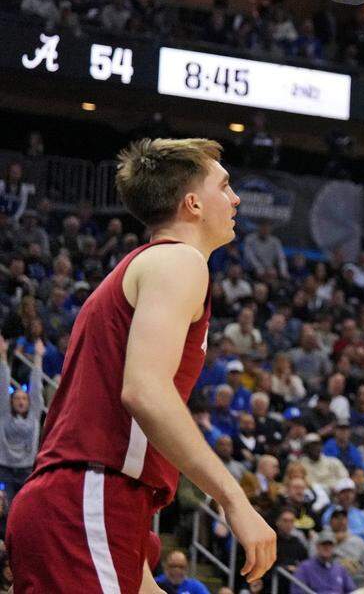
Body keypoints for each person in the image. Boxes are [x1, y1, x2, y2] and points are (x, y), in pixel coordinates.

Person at [6, 138, 276, 592]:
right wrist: (234, 500)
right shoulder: (178, 261)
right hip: (88, 495)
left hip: (95, 504)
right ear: (192, 203)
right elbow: (144, 389)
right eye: (225, 186)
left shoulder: (149, 267)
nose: (236, 198)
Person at [0, 336, 44, 502]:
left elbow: (37, 386)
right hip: (4, 469)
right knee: (5, 510)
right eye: (17, 398)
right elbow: (3, 385)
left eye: (24, 398)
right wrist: (3, 355)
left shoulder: (34, 415)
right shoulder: (4, 414)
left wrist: (38, 357)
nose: (20, 401)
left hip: (26, 470)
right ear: (11, 402)